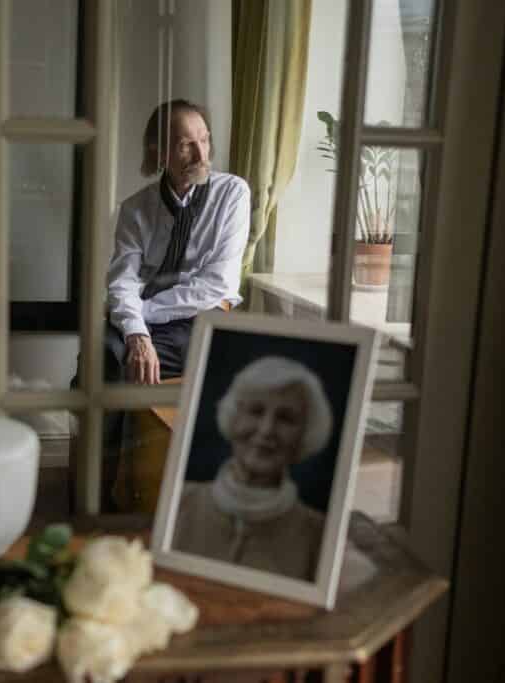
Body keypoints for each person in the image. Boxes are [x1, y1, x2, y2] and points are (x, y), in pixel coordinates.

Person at [104, 99, 251, 385]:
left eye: (205, 140)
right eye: (186, 145)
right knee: (101, 359)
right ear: (158, 153)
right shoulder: (135, 208)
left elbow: (215, 285)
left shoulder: (233, 194)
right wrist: (136, 331)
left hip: (200, 316)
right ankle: (100, 431)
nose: (201, 154)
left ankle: (140, 431)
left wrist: (142, 314)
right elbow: (123, 280)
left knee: (128, 370)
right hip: (142, 314)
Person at [172, 356, 333, 582]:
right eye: (256, 411)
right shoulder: (178, 502)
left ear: (305, 434)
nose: (267, 430)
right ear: (233, 418)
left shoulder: (320, 535)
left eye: (285, 418)